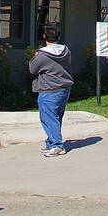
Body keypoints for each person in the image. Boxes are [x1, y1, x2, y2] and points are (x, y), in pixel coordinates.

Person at [29, 24, 74, 156]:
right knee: (56, 117)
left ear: (44, 37)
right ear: (58, 36)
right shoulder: (66, 51)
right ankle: (51, 142)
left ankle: (57, 145)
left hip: (49, 89)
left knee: (48, 117)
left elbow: (33, 69)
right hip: (64, 88)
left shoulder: (42, 55)